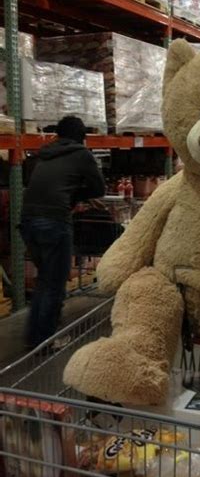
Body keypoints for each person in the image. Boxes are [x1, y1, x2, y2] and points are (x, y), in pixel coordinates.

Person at [20, 116, 105, 350]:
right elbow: (99, 188)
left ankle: (35, 339)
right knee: (54, 284)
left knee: (44, 281)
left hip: (28, 222)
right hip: (54, 222)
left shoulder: (43, 154)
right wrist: (75, 197)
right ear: (82, 137)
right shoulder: (81, 154)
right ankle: (45, 341)